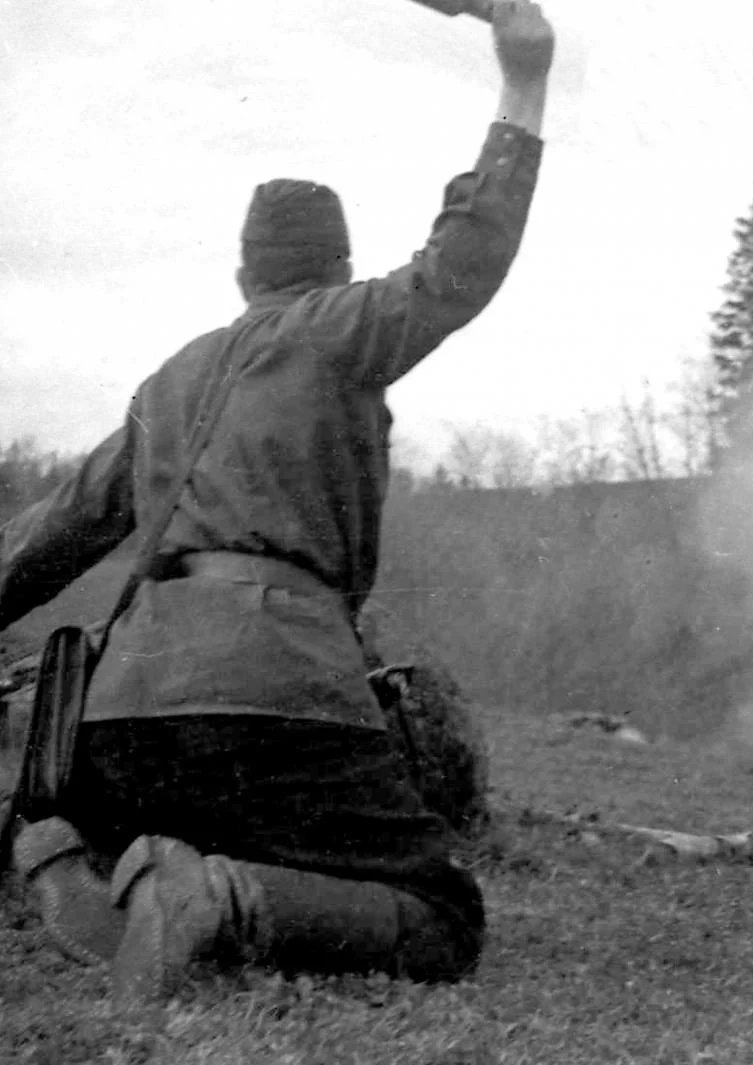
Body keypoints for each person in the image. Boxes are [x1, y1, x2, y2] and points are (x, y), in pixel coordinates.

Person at [0, 0, 555, 1006]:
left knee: (177, 809)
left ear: (242, 276)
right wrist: (524, 79)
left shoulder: (169, 382)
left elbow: (46, 540)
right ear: (338, 272)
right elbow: (463, 261)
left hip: (123, 726)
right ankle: (219, 898)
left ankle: (61, 859)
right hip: (275, 695)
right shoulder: (346, 327)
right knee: (441, 912)